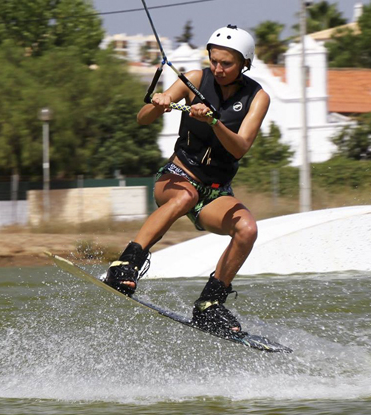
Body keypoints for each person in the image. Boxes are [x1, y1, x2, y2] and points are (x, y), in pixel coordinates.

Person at [103, 25, 271, 339]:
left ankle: (210, 303)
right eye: (214, 61)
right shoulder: (195, 79)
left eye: (227, 64)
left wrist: (212, 120)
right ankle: (125, 264)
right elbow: (142, 119)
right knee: (186, 196)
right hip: (176, 178)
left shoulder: (257, 97)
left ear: (245, 63)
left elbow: (240, 147)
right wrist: (160, 102)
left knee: (247, 229)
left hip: (216, 193)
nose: (218, 69)